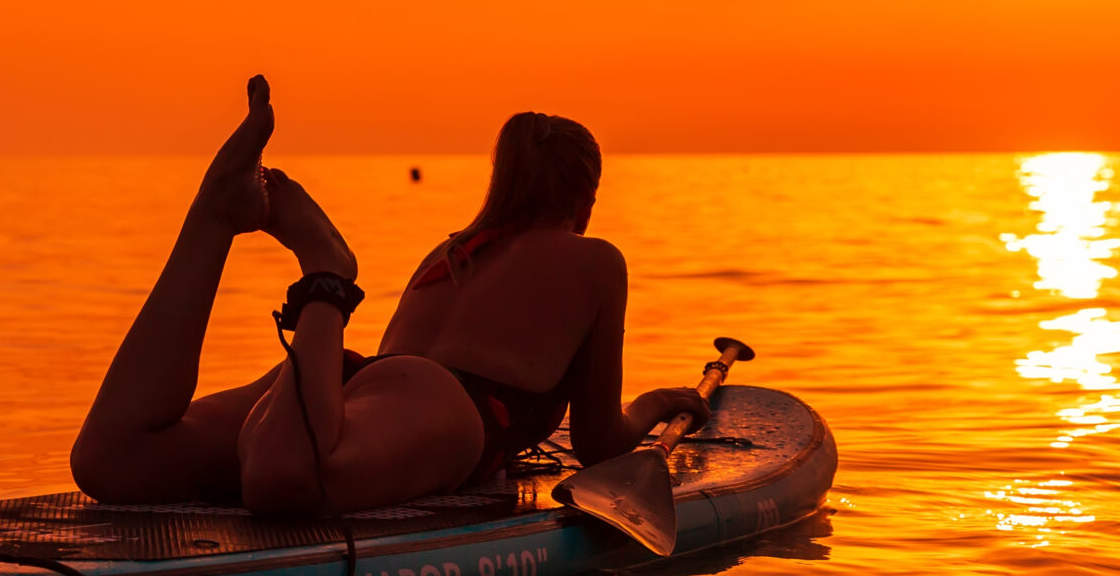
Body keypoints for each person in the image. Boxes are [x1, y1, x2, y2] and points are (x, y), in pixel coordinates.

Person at [71, 76, 711, 517]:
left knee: (113, 461)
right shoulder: (595, 261)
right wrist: (654, 403)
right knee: (283, 480)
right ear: (585, 198)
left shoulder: (453, 251)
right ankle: (326, 268)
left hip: (348, 384)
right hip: (445, 408)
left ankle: (211, 226)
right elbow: (599, 443)